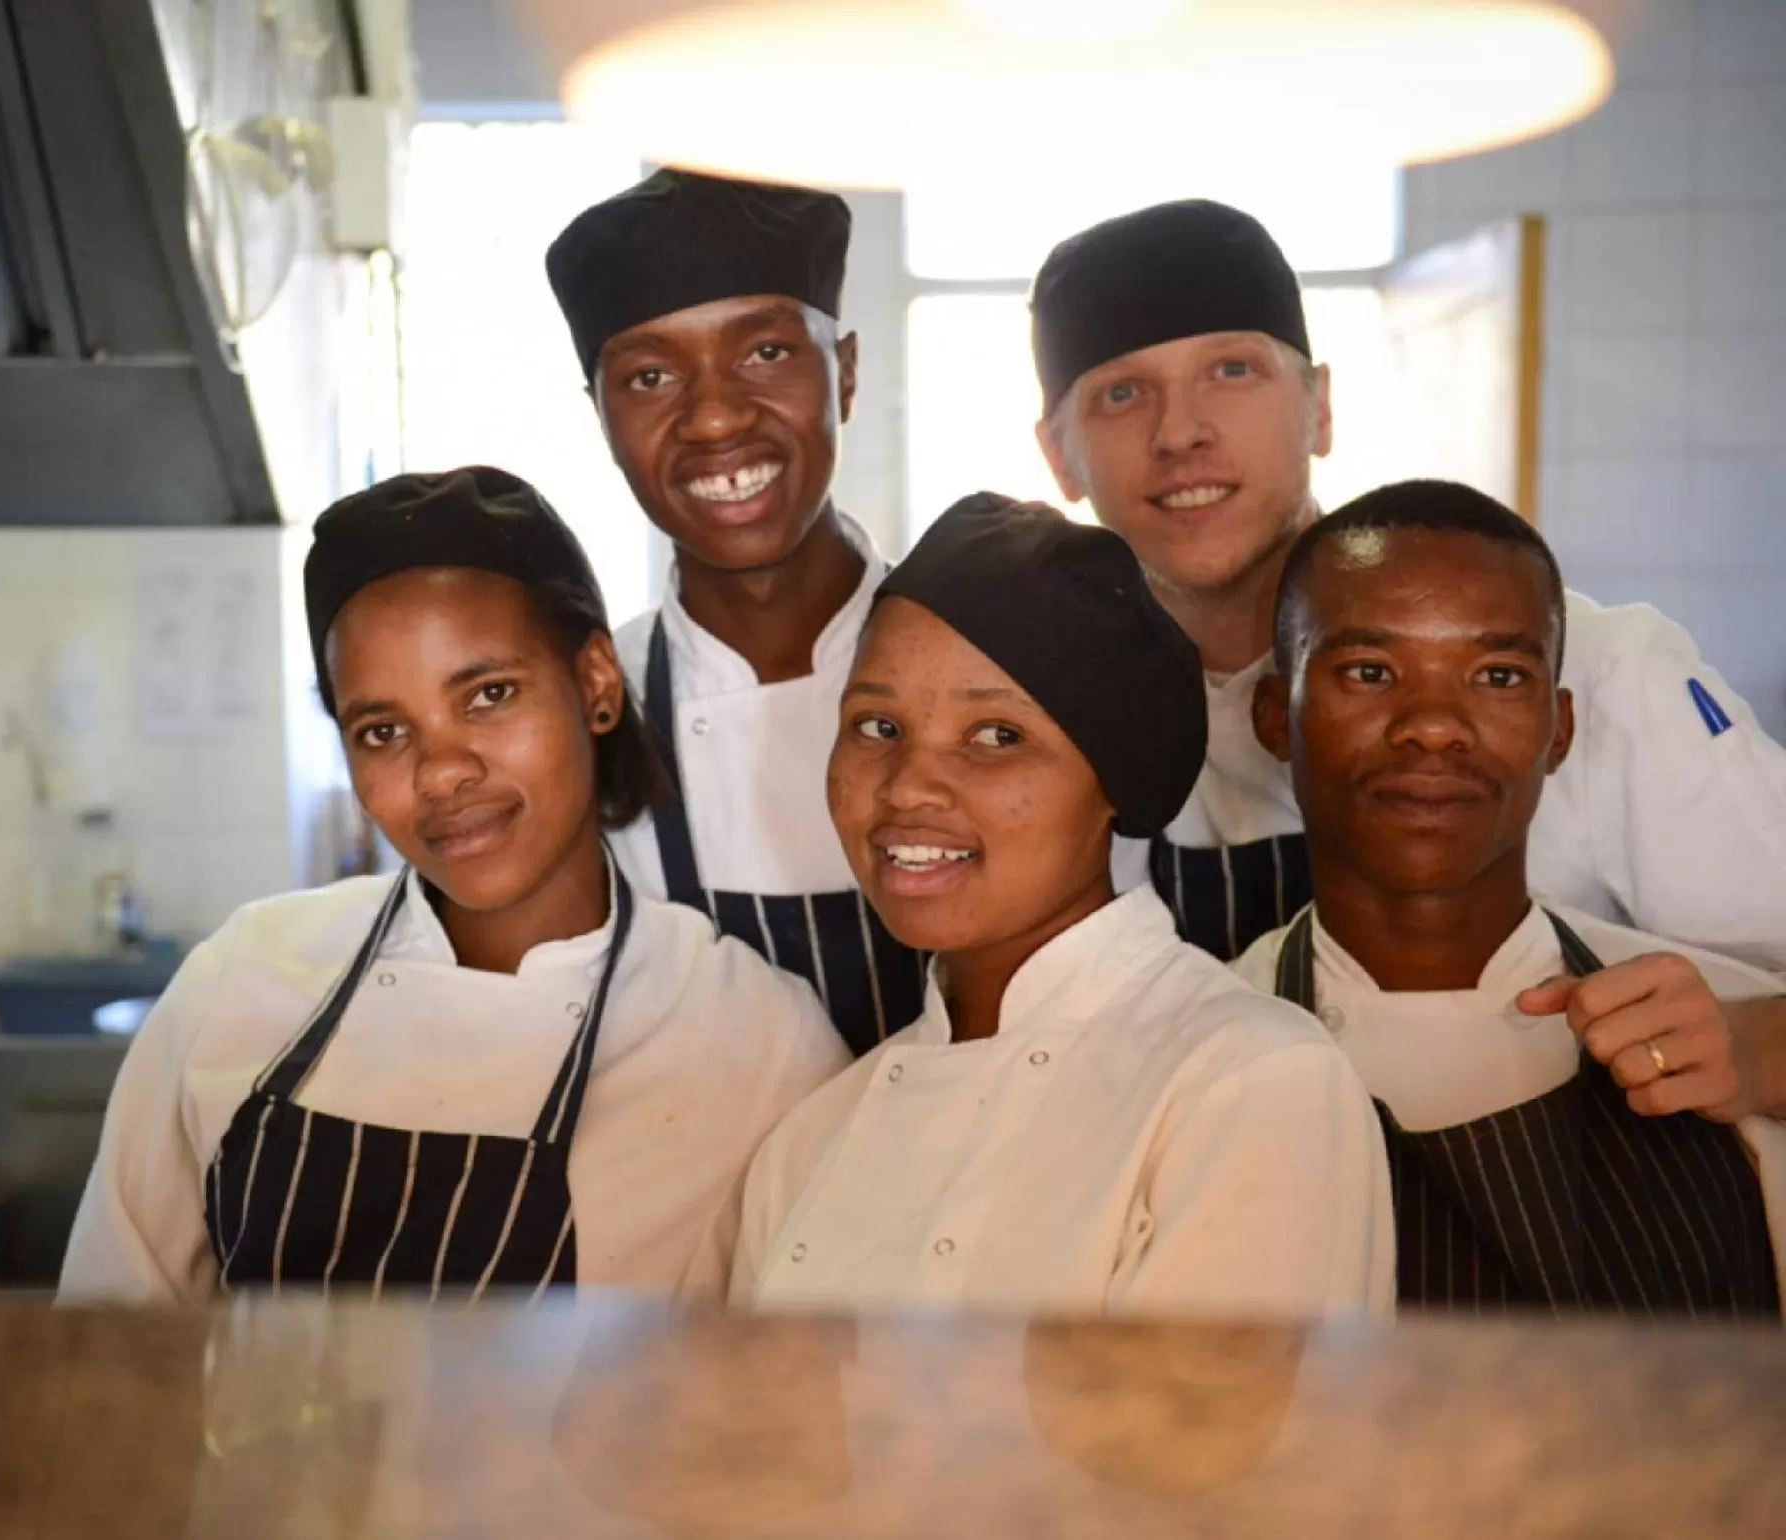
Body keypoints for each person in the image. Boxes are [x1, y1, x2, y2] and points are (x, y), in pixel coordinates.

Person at [59, 468, 845, 1305]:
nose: (439, 772)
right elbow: (106, 1358)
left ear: (596, 685)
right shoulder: (241, 981)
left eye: (489, 695)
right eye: (383, 730)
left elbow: (788, 1403)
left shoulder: (757, 1044)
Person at [1029, 198, 1786, 986]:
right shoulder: (1056, 722)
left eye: (1232, 370)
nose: (1179, 432)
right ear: (1060, 457)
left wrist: (1744, 1047)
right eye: (1121, 393)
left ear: (1320, 408)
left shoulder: (1601, 673)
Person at [722, 492, 1393, 1316]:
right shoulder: (809, 1142)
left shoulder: (1245, 1083)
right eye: (876, 726)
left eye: (997, 737)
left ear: (1115, 779)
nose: (908, 788)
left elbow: (1216, 1440)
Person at [1233, 482, 1785, 1316]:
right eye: (1369, 671)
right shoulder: (1202, 1048)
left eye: (1496, 675)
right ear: (1277, 716)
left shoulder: (1709, 1024)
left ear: (1559, 730)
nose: (1432, 725)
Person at [546, 168, 923, 1058]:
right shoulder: (581, 726)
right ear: (601, 420)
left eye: (765, 354)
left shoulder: (1001, 670)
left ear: (848, 374)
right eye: (647, 376)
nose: (714, 418)